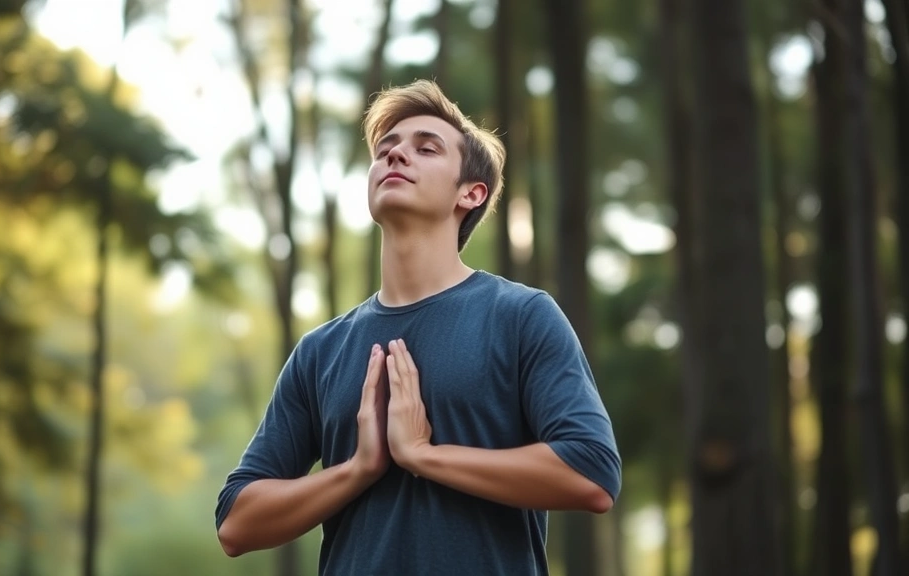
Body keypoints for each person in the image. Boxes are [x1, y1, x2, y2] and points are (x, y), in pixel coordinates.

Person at [215, 80, 621, 575]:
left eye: (425, 148)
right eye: (385, 150)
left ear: (471, 193)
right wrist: (358, 469)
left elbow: (591, 472)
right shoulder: (320, 350)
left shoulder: (521, 316)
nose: (396, 156)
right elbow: (236, 523)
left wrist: (425, 456)